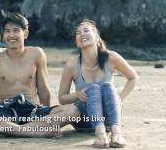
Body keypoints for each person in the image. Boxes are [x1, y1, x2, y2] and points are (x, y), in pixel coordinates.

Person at [0, 12, 80, 138]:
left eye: (16, 31)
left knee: (73, 111)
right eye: (7, 31)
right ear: (3, 34)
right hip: (7, 112)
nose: (11, 35)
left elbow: (43, 89)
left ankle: (9, 130)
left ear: (25, 33)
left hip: (34, 111)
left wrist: (47, 119)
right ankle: (32, 131)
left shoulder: (37, 53)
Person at [58, 19, 138, 148]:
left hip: (108, 119)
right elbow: (62, 98)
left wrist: (119, 99)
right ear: (76, 41)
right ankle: (100, 135)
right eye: (78, 33)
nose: (82, 34)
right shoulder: (71, 65)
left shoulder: (111, 57)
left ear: (96, 37)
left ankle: (116, 133)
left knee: (107, 86)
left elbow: (133, 77)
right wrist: (77, 95)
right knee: (94, 88)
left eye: (86, 31)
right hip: (84, 120)